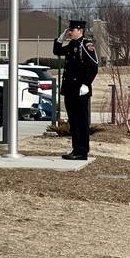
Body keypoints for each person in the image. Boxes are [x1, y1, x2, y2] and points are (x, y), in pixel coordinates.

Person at [53, 20, 98, 160]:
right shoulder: (72, 45)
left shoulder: (86, 45)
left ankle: (82, 151)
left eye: (72, 30)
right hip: (70, 89)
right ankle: (76, 149)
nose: (70, 32)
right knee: (73, 121)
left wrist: (86, 84)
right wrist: (60, 38)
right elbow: (57, 51)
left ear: (80, 30)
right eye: (70, 30)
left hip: (80, 89)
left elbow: (93, 67)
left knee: (81, 121)